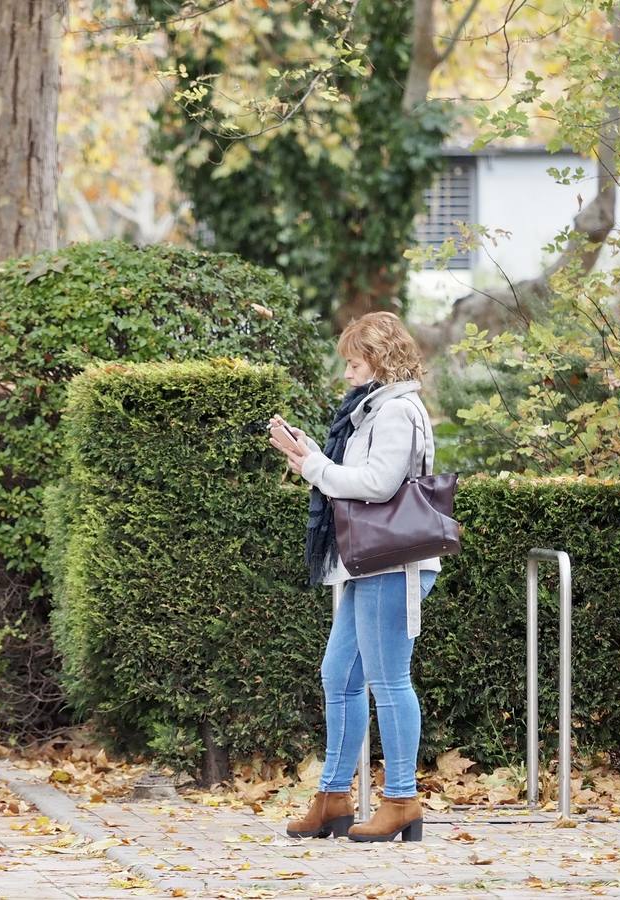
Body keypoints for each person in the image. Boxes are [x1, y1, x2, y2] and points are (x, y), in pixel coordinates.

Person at [268, 311, 440, 844]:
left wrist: (314, 467)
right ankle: (334, 797)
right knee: (339, 675)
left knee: (389, 681)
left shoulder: (394, 413)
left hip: (394, 561)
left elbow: (377, 483)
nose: (346, 373)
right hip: (369, 561)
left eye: (354, 362)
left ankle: (403, 799)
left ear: (380, 361)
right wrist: (310, 458)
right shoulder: (371, 412)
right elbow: (352, 478)